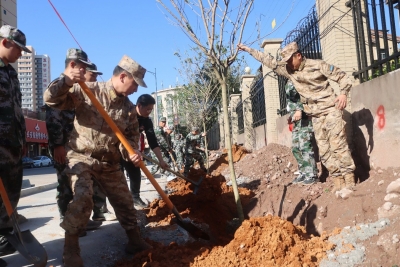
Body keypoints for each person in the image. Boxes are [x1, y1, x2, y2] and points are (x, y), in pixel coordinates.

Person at [44, 54, 152, 266]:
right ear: (123, 77)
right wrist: (67, 80)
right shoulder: (88, 90)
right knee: (83, 197)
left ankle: (134, 241)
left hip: (109, 163)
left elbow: (128, 139)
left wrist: (131, 152)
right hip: (82, 157)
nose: (136, 90)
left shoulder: (129, 110)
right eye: (134, 84)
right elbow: (51, 99)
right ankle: (71, 248)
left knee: (125, 201)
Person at [238, 42, 355, 193]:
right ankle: (338, 178)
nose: (287, 64)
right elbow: (269, 61)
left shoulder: (317, 65)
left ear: (298, 55)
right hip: (316, 116)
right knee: (325, 150)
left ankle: (349, 177)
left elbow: (342, 76)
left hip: (330, 110)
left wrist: (343, 93)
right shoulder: (289, 71)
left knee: (338, 145)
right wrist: (249, 50)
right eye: (285, 61)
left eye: (289, 60)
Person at [46, 55, 116, 236]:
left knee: (80, 187)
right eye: (85, 69)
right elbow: (53, 117)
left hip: (77, 146)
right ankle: (67, 222)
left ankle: (79, 223)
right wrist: (57, 144)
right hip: (64, 145)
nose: (89, 75)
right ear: (73, 66)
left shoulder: (82, 91)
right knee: (65, 185)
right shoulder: (62, 86)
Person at [0, 25, 31, 267]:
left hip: (12, 146)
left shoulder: (11, 73)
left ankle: (4, 237)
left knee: (11, 195)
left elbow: (17, 111)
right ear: (5, 43)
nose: (21, 54)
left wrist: (22, 141)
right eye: (19, 49)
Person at [121, 94, 168, 209]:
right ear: (139, 105)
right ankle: (117, 204)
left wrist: (161, 160)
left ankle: (135, 197)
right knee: (118, 177)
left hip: (132, 151)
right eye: (147, 109)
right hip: (117, 149)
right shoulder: (126, 114)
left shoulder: (146, 121)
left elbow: (152, 141)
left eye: (151, 110)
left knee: (136, 173)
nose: (149, 112)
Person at [285, 81, 318, 185]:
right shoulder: (288, 81)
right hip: (296, 120)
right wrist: (291, 115)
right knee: (295, 148)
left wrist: (299, 109)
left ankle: (312, 175)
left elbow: (304, 94)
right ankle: (303, 172)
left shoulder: (298, 78)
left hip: (304, 119)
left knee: (305, 147)